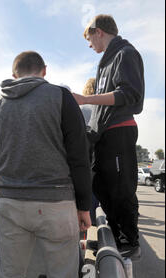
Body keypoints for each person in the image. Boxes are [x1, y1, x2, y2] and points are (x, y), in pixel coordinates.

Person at [0, 51, 92, 278]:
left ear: (14, 75)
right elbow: (79, 156)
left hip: (10, 202)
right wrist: (84, 205)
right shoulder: (61, 96)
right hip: (56, 201)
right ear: (44, 70)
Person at [72, 14, 144, 259]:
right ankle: (113, 237)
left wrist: (85, 99)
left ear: (98, 31)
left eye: (89, 39)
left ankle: (129, 241)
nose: (89, 45)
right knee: (102, 186)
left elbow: (129, 94)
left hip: (119, 129)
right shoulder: (106, 61)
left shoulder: (125, 54)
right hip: (104, 133)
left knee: (120, 187)